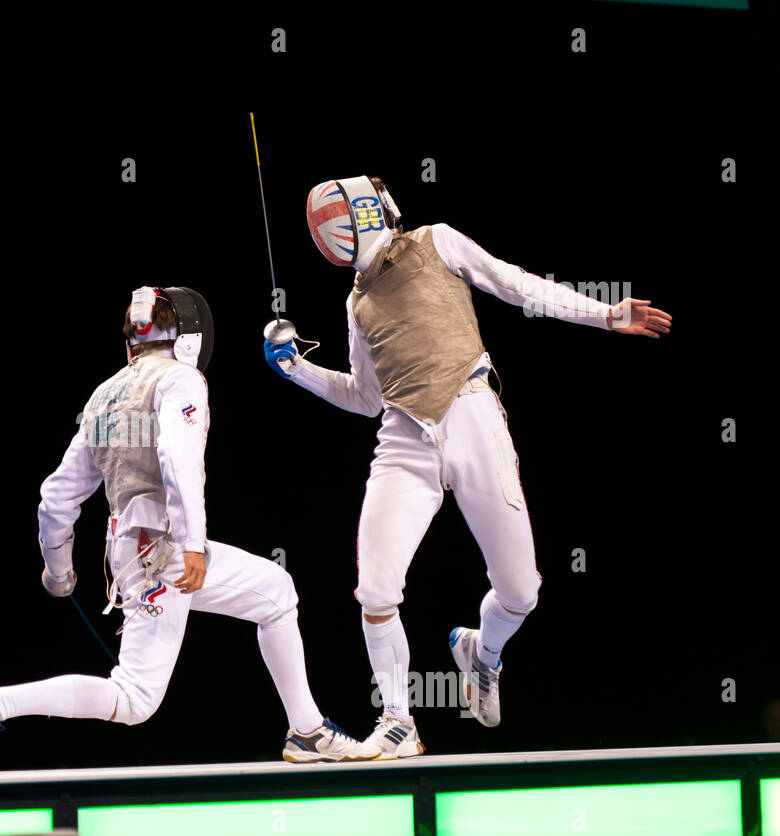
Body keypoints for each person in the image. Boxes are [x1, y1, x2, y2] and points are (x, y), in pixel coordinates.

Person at [265, 176, 672, 757]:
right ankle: (399, 722)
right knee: (375, 588)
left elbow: (516, 285)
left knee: (521, 592)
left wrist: (604, 314)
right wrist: (297, 371)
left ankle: (482, 655)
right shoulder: (357, 304)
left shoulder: (438, 242)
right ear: (362, 211)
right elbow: (366, 396)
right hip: (403, 437)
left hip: (476, 416)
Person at [0, 286, 379, 773]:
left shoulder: (103, 397)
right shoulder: (181, 380)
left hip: (134, 545)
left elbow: (56, 496)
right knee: (134, 699)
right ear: (189, 336)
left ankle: (307, 730)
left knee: (277, 591)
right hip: (161, 546)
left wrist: (59, 571)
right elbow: (178, 457)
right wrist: (193, 544)